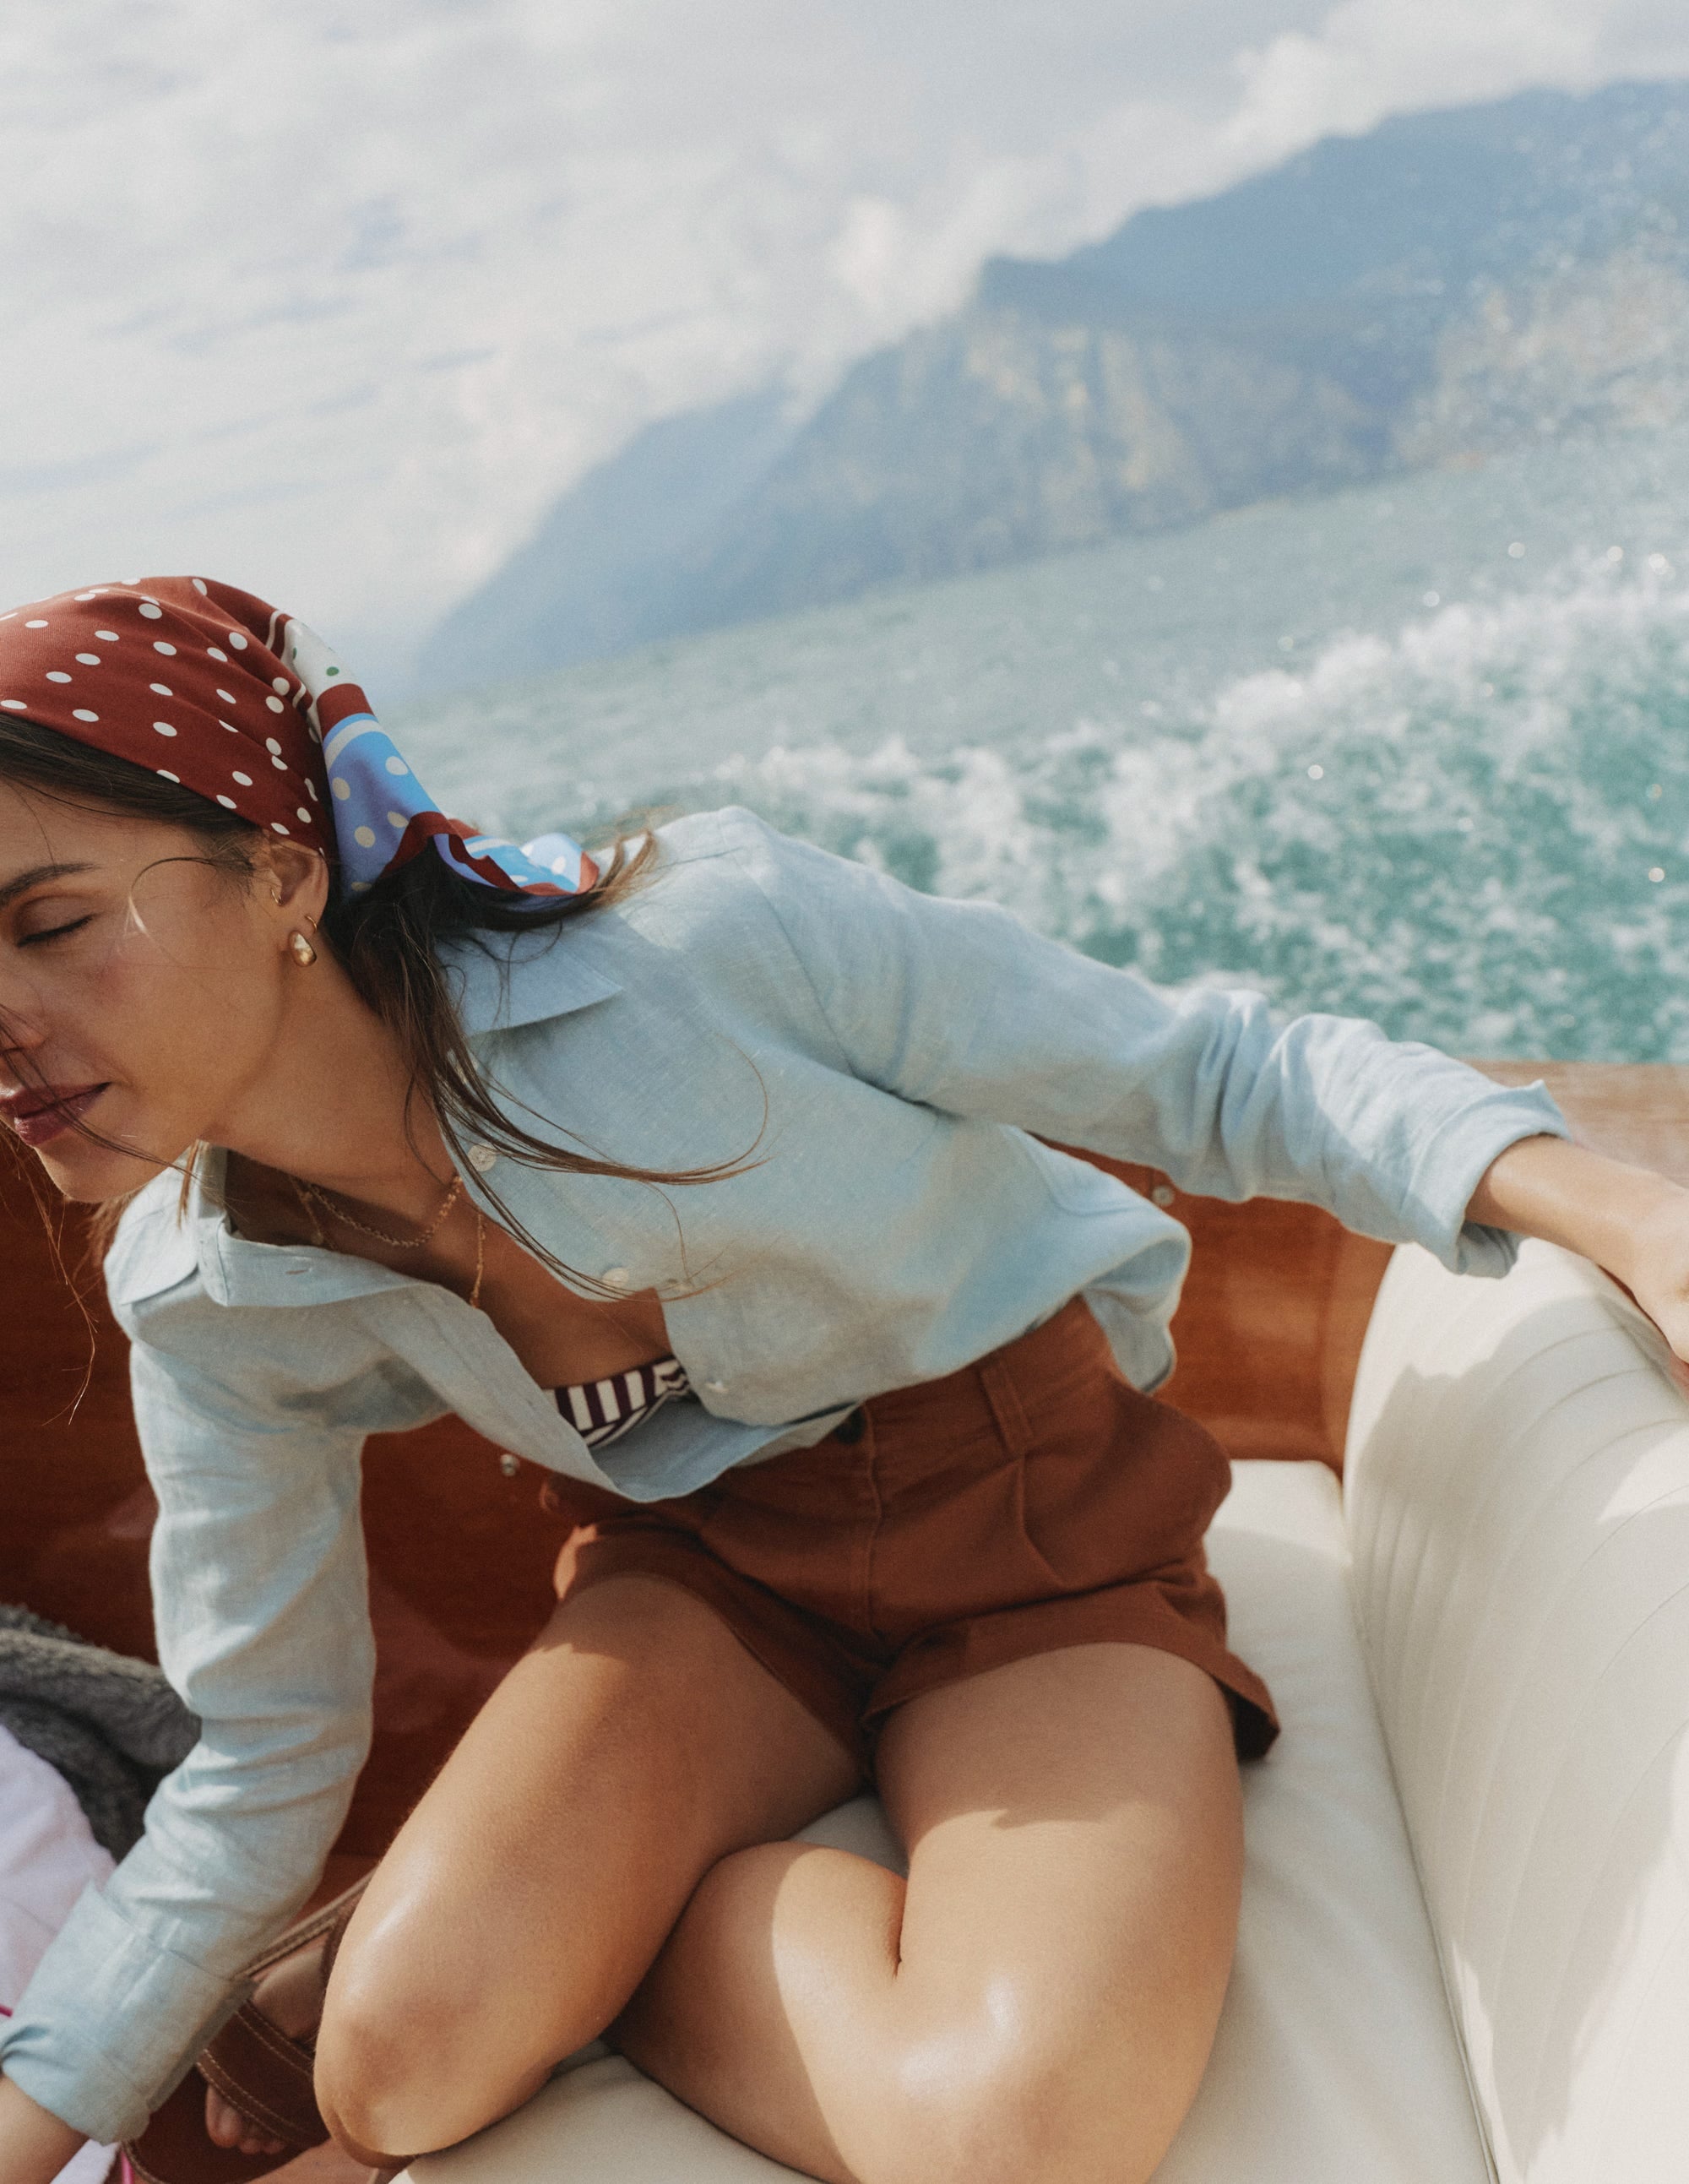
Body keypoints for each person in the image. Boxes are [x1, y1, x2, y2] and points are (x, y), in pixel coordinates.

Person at [0, 576, 1685, 2184]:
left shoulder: (710, 943)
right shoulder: (205, 1291)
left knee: (1018, 2141)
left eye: (50, 922)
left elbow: (1217, 1072)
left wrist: (1630, 1216)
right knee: (391, 2063)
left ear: (285, 875)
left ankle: (627, 1917)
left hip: (1033, 1535)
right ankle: (576, 1920)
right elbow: (258, 1756)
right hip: (703, 1586)